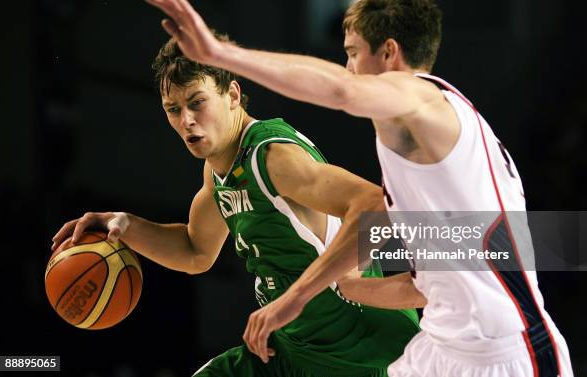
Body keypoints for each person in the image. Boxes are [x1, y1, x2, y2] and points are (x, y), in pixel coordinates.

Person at [140, 0, 574, 377]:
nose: (345, 68)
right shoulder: (419, 142)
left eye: (351, 54)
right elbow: (434, 276)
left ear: (388, 53)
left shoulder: (420, 99)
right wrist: (347, 286)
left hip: (506, 353)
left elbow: (341, 92)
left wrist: (219, 54)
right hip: (440, 351)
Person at [51, 36, 423, 376]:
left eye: (197, 102)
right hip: (289, 347)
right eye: (173, 109)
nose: (187, 121)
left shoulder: (271, 156)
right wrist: (125, 225)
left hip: (356, 348)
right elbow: (196, 250)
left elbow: (375, 205)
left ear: (231, 95)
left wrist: (323, 290)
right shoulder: (218, 171)